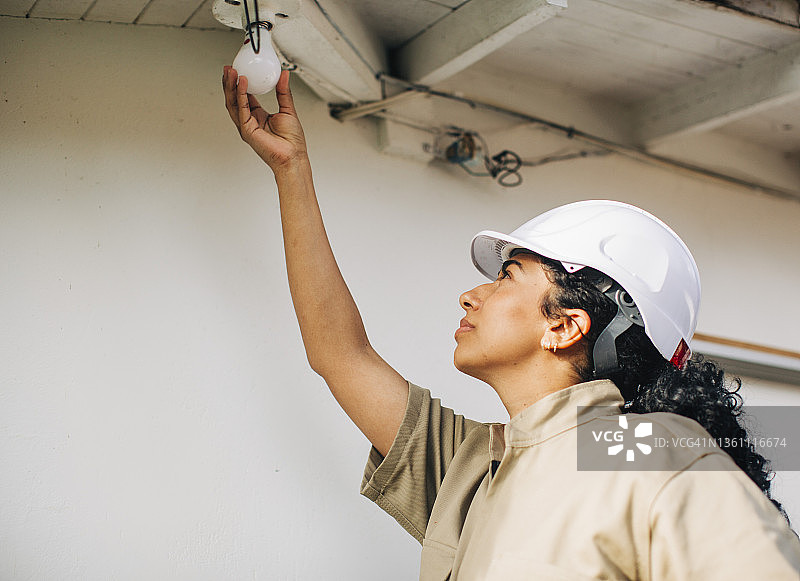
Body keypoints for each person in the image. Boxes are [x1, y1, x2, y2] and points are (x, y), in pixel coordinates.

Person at [222, 68, 800, 580]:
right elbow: (339, 354)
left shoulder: (647, 449)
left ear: (566, 325)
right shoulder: (473, 467)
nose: (471, 295)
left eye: (508, 276)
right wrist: (290, 168)